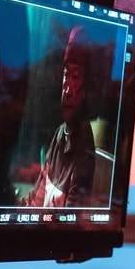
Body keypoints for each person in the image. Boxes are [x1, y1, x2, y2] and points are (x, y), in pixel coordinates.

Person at [24, 26, 98, 208]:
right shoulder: (60, 134)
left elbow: (70, 222)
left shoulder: (85, 151)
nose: (67, 90)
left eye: (76, 76)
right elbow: (38, 196)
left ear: (87, 88)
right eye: (66, 75)